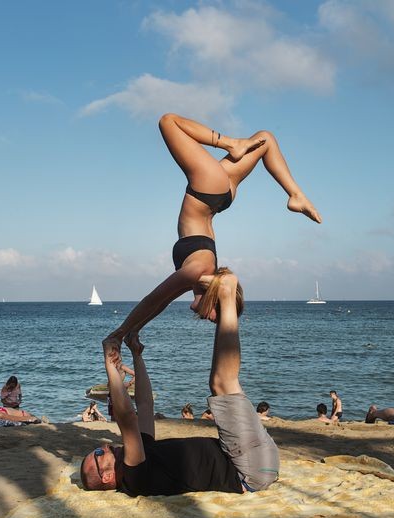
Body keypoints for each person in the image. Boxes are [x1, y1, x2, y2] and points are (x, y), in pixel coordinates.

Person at [102, 114, 321, 357]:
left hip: (218, 194)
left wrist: (134, 331)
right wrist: (118, 333)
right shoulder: (198, 271)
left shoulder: (197, 279)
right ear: (214, 299)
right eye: (215, 317)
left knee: (265, 139)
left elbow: (161, 303)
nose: (208, 319)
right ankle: (231, 144)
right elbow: (153, 299)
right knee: (168, 122)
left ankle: (296, 195)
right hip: (207, 188)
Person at [83, 272, 279, 496]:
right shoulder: (134, 478)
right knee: (222, 384)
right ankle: (226, 295)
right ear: (106, 477)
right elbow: (126, 418)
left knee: (219, 383)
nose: (105, 446)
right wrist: (109, 363)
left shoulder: (143, 454)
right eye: (99, 453)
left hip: (248, 456)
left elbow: (145, 405)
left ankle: (224, 304)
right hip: (248, 467)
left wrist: (136, 354)